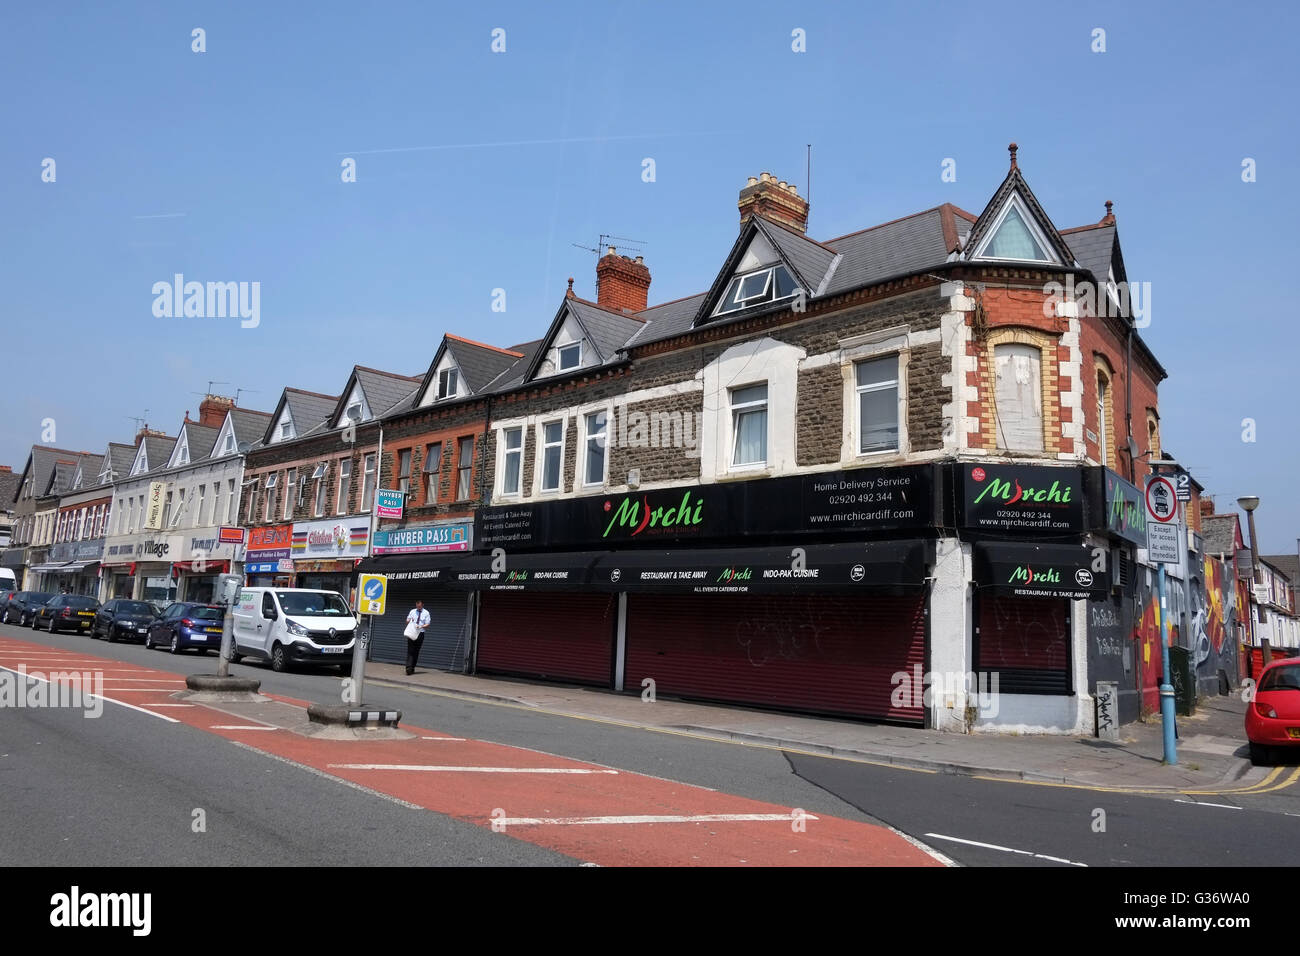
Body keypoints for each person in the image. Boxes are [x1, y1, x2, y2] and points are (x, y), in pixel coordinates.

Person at [405, 600, 430, 675]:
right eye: (417, 606)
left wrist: (421, 626)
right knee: (410, 650)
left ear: (422, 605)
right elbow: (407, 621)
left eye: (419, 606)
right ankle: (408, 668)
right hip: (412, 632)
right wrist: (409, 621)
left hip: (420, 633)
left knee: (416, 651)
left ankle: (412, 667)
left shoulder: (426, 613)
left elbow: (427, 624)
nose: (418, 608)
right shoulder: (412, 611)